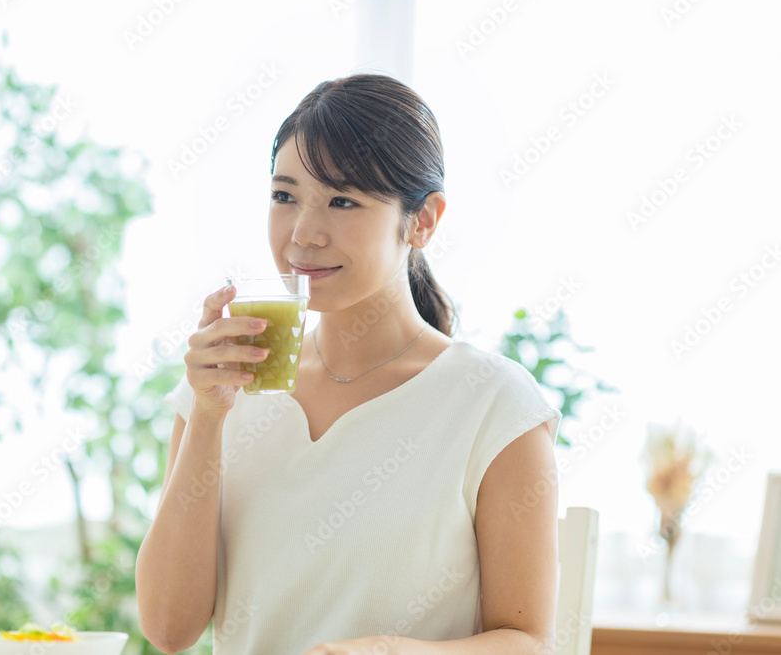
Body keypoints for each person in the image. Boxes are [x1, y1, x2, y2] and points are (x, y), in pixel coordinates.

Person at [136, 74, 562, 655]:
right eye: (284, 196)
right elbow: (168, 629)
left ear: (423, 220)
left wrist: (385, 652)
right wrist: (208, 418)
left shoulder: (491, 403)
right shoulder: (225, 385)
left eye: (342, 201)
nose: (303, 235)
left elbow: (528, 642)